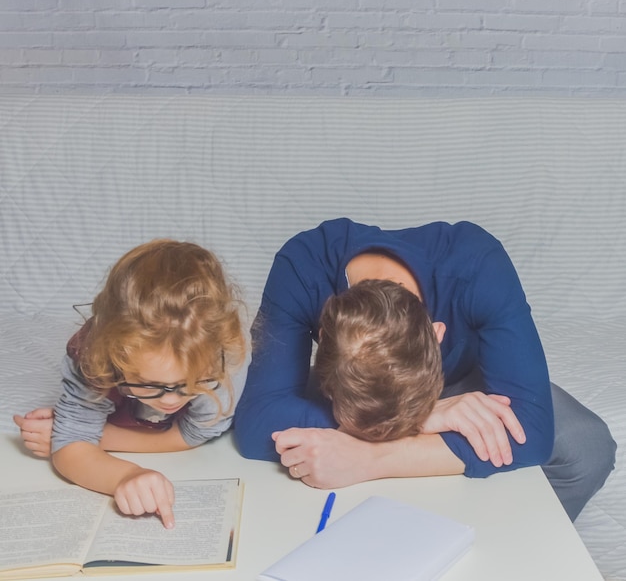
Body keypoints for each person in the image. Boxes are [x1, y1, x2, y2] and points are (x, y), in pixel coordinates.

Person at [234, 218, 616, 521]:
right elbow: (255, 426)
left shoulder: (477, 263)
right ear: (323, 337)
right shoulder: (303, 264)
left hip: (462, 388)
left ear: (438, 335)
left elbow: (533, 432)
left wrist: (369, 459)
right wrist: (422, 421)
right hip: (355, 396)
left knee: (587, 444)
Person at [13, 239, 249, 529]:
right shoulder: (93, 355)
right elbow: (69, 450)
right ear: (113, 355)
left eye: (191, 384)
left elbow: (193, 434)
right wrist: (124, 476)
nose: (171, 401)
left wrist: (90, 435)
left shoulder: (223, 357)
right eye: (149, 384)